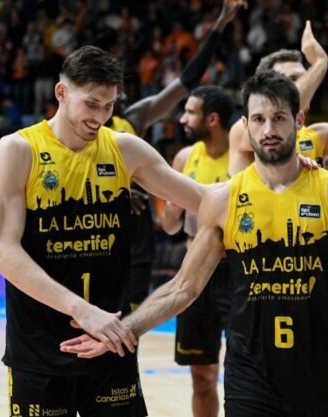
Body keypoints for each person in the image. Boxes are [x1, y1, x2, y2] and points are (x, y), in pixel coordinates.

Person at [62, 70, 328, 417]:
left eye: (279, 118)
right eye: (258, 119)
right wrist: (123, 332)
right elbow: (183, 288)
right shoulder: (224, 200)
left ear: (299, 122)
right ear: (245, 126)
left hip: (317, 374)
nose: (269, 128)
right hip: (250, 376)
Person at [0, 45, 210, 417]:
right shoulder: (18, 150)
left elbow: (205, 198)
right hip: (39, 345)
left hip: (111, 340)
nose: (100, 116)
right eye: (91, 104)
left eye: (108, 106)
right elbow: (2, 251)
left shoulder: (124, 149)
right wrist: (81, 310)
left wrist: (279, 173)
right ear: (61, 93)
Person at [108, 0, 245, 318]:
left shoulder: (134, 118)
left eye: (113, 87)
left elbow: (187, 80)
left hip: (134, 238)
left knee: (128, 326)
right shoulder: (72, 134)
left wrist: (220, 24)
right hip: (90, 234)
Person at [228, 6, 328, 176]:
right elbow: (284, 106)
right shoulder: (244, 129)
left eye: (304, 77)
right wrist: (320, 63)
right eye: (291, 80)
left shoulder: (318, 136)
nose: (306, 83)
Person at [161, 85, 233, 417]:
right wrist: (171, 213)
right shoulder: (184, 158)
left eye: (190, 112)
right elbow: (170, 227)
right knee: (202, 377)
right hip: (195, 273)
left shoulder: (244, 155)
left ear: (213, 119)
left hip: (236, 272)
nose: (183, 119)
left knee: (246, 375)